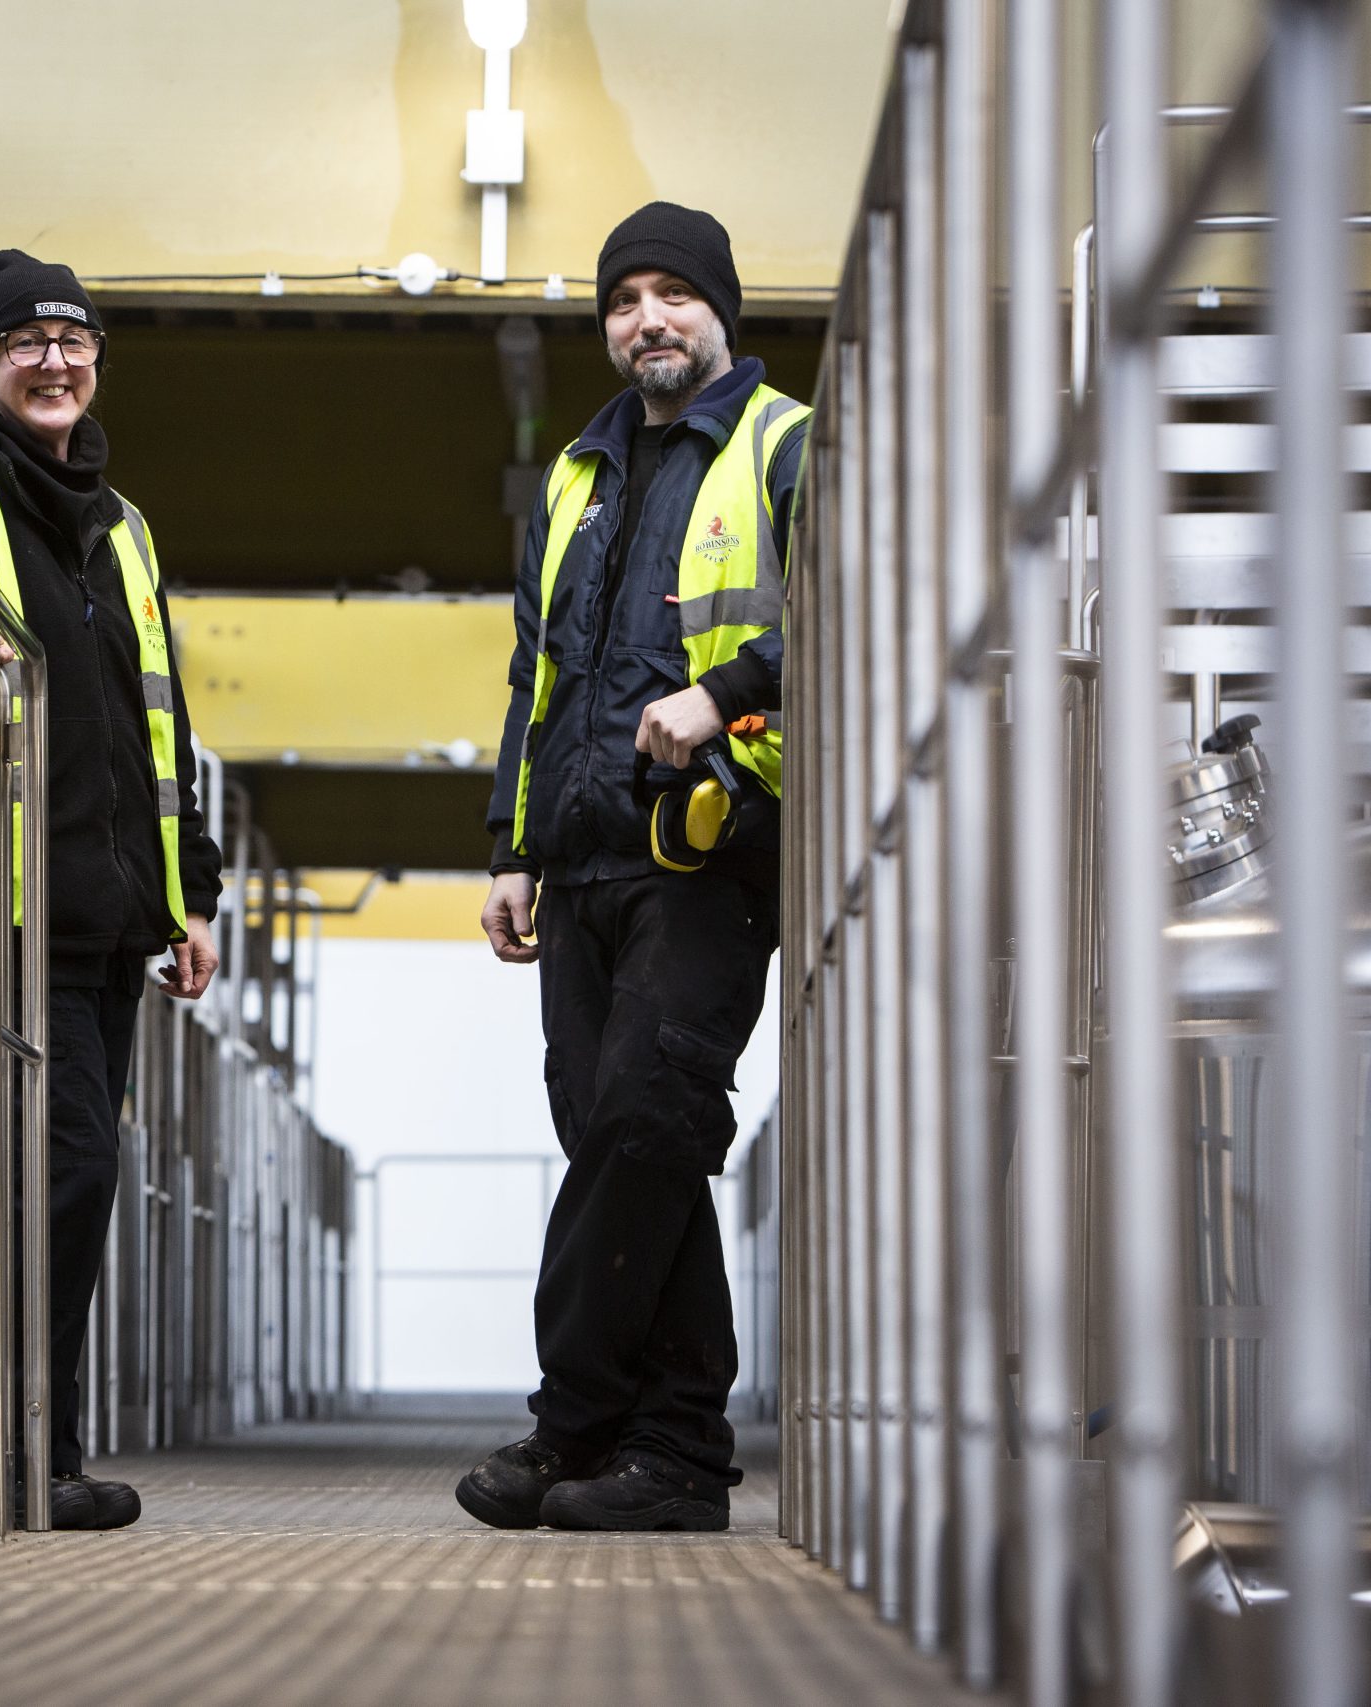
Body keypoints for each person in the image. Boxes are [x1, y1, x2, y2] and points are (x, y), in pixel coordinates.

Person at [458, 203, 807, 1534]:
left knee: (646, 1120)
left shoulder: (787, 444)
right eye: (624, 299)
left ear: (721, 309)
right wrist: (513, 843)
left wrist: (726, 693)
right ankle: (671, 1452)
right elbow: (537, 673)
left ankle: (572, 1419)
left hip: (715, 849)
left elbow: (867, 601)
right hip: (585, 858)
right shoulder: (579, 473)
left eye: (672, 294)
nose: (647, 318)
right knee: (616, 1137)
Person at [0, 249, 223, 1530]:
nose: (56, 360)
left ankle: (31, 1449)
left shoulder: (123, 530)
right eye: (28, 343)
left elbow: (156, 729)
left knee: (64, 1174)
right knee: (60, 1166)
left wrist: (193, 898)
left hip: (108, 913)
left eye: (75, 341)